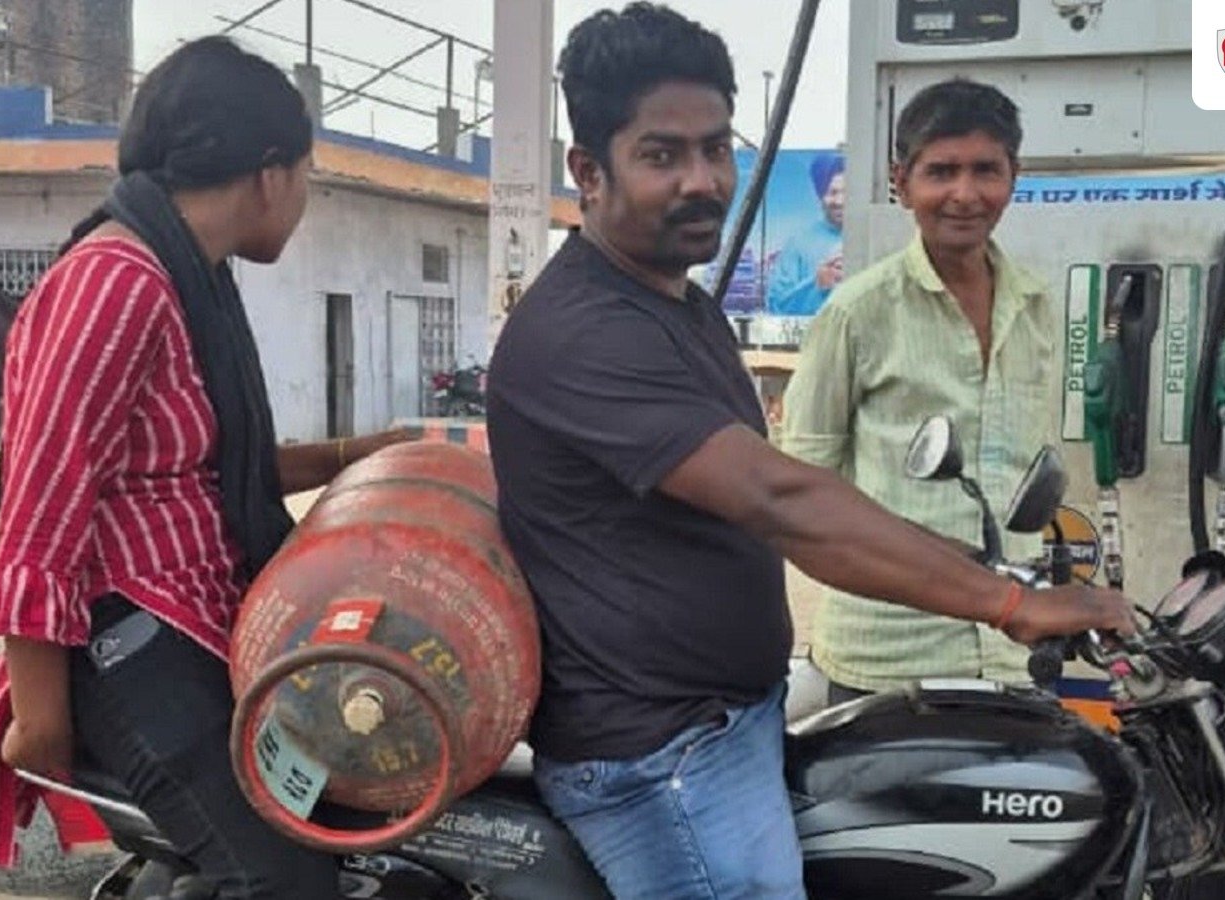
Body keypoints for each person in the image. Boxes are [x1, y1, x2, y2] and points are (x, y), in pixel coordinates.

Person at [485, 5, 1134, 898]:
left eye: (717, 149)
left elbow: (794, 499)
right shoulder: (586, 331)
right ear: (589, 172)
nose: (702, 180)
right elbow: (786, 497)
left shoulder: (677, 304)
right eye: (662, 155)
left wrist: (994, 571)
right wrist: (1007, 601)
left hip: (727, 719)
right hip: (662, 760)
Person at [0, 37, 407, 896]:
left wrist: (364, 455)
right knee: (283, 878)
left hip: (195, 626)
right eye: (306, 176)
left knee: (347, 823)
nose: (303, 198)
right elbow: (40, 510)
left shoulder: (187, 276)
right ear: (269, 174)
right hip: (128, 644)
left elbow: (201, 465)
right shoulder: (114, 281)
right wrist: (40, 721)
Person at [781, 78, 1058, 703]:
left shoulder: (1036, 306)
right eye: (941, 172)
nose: (964, 194)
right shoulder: (856, 312)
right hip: (886, 659)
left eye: (985, 170)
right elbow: (802, 491)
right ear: (901, 183)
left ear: (1014, 177)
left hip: (1015, 654)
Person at [765, 151, 845, 315]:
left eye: (846, 192)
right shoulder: (798, 244)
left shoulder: (872, 239)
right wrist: (816, 285)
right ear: (820, 196)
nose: (839, 201)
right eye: (832, 193)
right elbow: (776, 307)